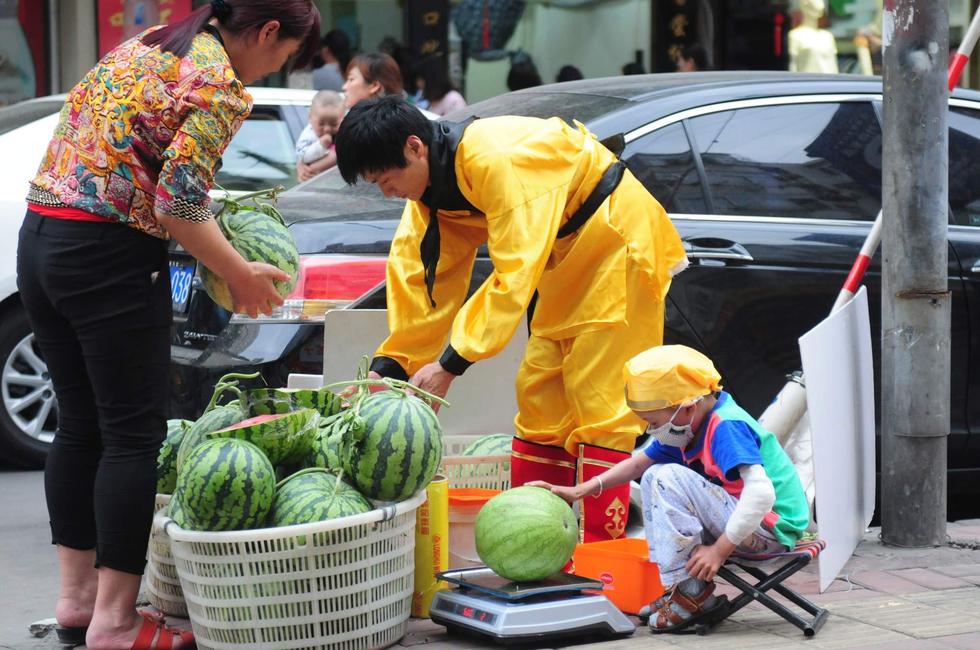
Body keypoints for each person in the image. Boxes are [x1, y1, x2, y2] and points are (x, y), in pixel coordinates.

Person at [16, 1, 320, 648]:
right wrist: (238, 271)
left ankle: (77, 603)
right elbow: (178, 204)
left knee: (80, 424)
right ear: (268, 32)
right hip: (106, 255)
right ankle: (116, 622)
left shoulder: (148, 44)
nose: (278, 66)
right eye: (285, 55)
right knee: (133, 434)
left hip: (40, 241)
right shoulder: (217, 85)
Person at [334, 96, 688, 543]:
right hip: (564, 258)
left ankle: (604, 553)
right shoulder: (430, 194)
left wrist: (451, 364)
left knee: (601, 403)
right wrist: (392, 368)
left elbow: (514, 273)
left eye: (387, 179)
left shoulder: (495, 159)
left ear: (414, 147)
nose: (388, 193)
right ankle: (534, 540)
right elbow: (422, 281)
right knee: (539, 395)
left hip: (617, 241)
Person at [530, 345, 809, 633]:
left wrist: (719, 551)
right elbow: (638, 465)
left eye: (653, 422)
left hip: (770, 530)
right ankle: (681, 588)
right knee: (652, 474)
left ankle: (691, 590)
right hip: (743, 522)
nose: (652, 431)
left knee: (668, 476)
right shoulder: (689, 425)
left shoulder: (726, 426)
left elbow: (762, 494)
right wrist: (579, 491)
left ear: (687, 407)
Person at [295, 90, 344, 181]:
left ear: (343, 119)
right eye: (321, 124)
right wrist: (321, 145)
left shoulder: (344, 133)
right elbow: (303, 156)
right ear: (310, 118)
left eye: (334, 124)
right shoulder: (308, 136)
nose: (327, 129)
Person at [788, 0, 838, 73]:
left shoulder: (828, 37)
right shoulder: (795, 36)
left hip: (830, 83)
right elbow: (792, 67)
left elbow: (833, 67)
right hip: (806, 83)